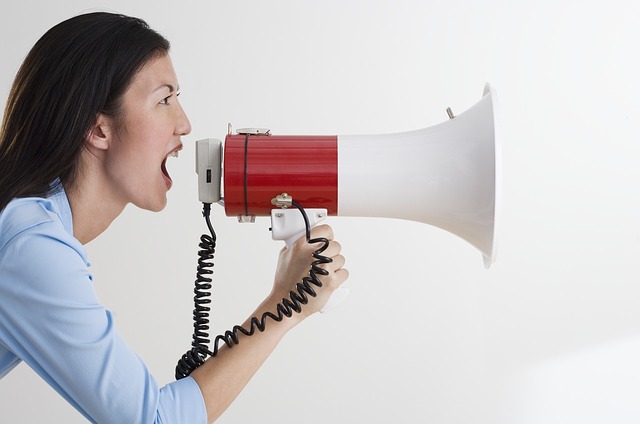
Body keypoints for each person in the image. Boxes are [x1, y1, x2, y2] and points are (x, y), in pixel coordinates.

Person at [0, 12, 348, 423]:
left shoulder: (27, 229)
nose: (184, 123)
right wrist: (286, 305)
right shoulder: (31, 245)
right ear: (98, 130)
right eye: (164, 99)